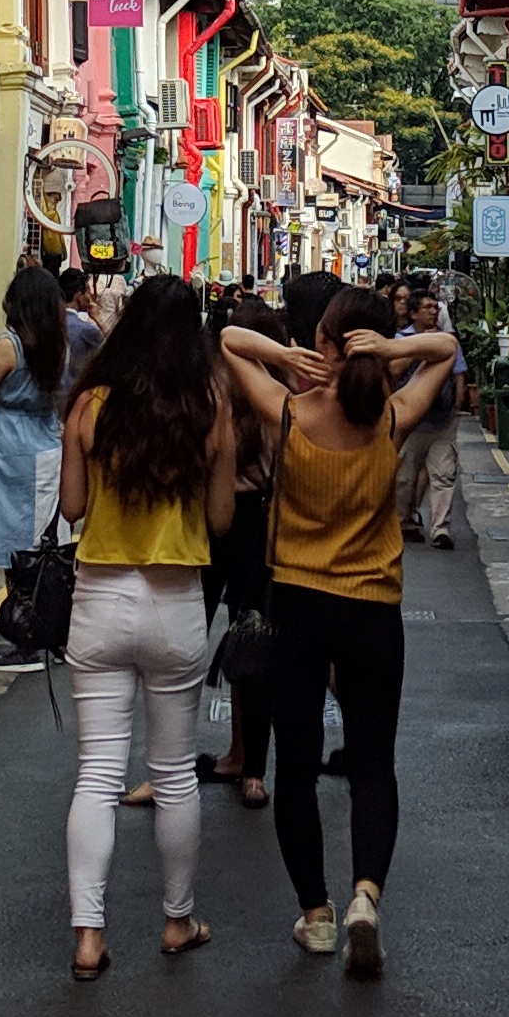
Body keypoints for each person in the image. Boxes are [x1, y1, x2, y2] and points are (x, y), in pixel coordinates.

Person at [219, 292, 458, 978]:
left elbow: (231, 340)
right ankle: (365, 898)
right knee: (374, 764)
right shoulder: (391, 419)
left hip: (298, 604)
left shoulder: (290, 413)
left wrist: (284, 355)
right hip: (372, 608)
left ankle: (316, 915)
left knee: (296, 766)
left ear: (322, 341)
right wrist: (392, 352)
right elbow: (445, 347)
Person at [58, 273, 239, 981]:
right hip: (175, 602)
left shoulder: (91, 404)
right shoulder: (210, 406)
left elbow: (73, 508)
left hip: (99, 597)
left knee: (98, 773)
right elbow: (221, 520)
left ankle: (88, 936)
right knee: (174, 773)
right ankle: (177, 920)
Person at [202, 292, 286, 806]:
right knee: (253, 644)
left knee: (186, 643)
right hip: (260, 525)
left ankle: (167, 764)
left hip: (211, 522)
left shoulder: (212, 390)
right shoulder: (280, 395)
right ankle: (251, 769)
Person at [0, 262, 76, 577]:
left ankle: (18, 601)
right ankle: (39, 601)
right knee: (43, 538)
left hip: (9, 443)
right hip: (47, 440)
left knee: (12, 543)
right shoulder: (59, 345)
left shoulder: (9, 345)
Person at [392, 278, 464, 548]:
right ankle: (404, 522)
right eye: (427, 308)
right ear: (413, 314)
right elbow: (395, 370)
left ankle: (440, 529)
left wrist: (457, 407)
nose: (434, 312)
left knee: (443, 474)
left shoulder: (447, 340)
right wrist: (419, 346)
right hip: (412, 422)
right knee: (404, 477)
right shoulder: (400, 341)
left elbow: (459, 373)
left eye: (435, 307)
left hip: (442, 420)